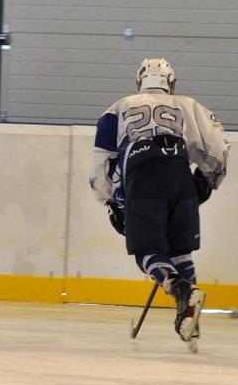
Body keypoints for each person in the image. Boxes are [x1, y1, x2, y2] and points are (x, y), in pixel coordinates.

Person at [90, 58, 229, 350]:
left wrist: (110, 201)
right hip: (179, 172)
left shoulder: (117, 109)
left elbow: (102, 162)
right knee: (179, 251)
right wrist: (206, 180)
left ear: (139, 81)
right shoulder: (189, 105)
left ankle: (180, 289)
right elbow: (219, 145)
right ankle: (190, 320)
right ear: (171, 83)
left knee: (146, 252)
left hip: (142, 175)